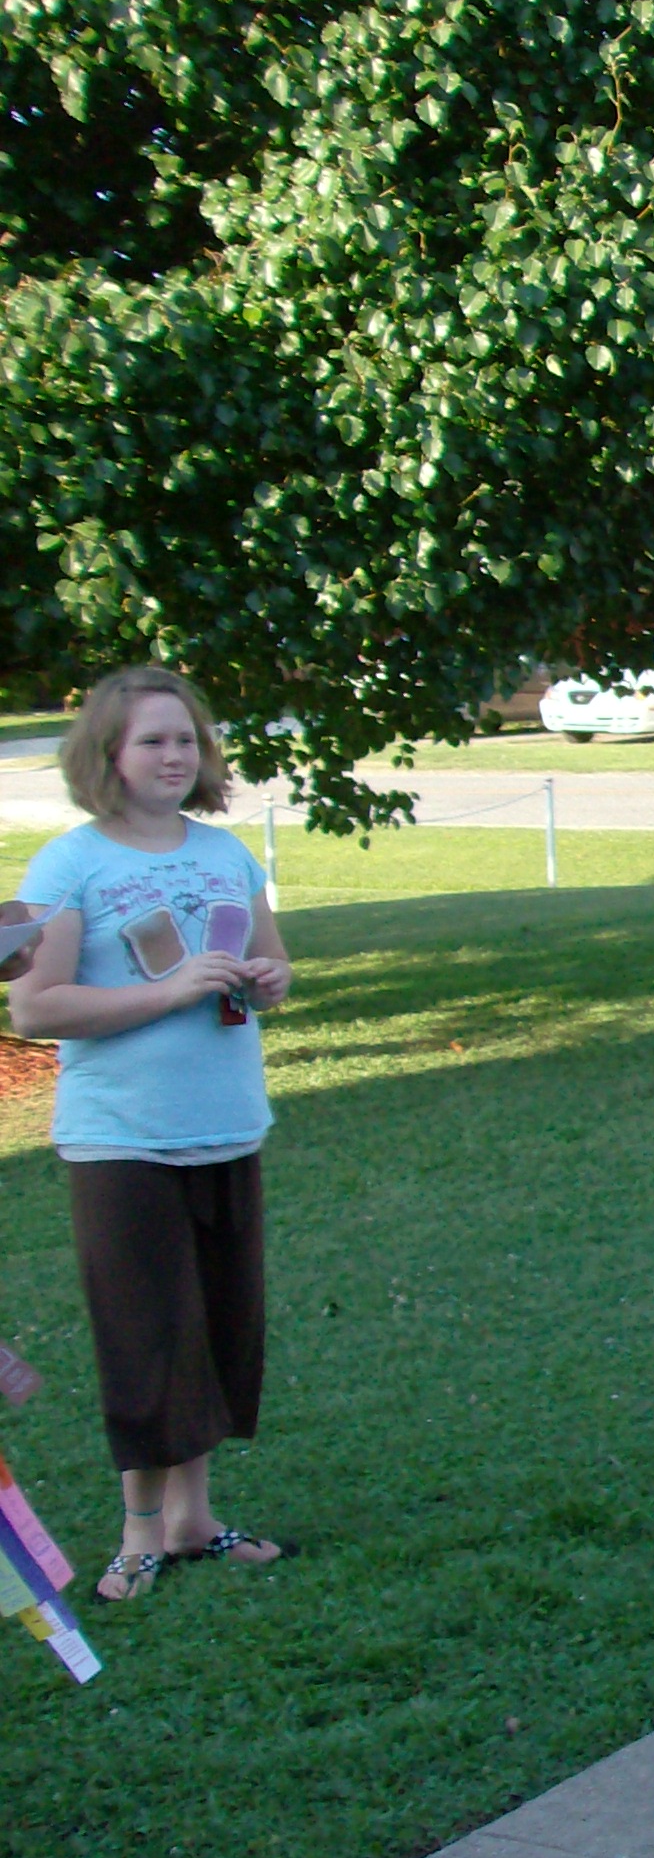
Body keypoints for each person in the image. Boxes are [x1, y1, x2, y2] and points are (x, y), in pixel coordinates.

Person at [8, 668, 292, 1604]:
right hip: (123, 1142)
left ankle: (193, 1521)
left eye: (187, 740)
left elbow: (275, 963)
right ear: (108, 755)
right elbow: (36, 1007)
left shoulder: (225, 853)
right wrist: (168, 993)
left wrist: (267, 979)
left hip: (226, 1128)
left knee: (216, 1328)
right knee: (147, 1337)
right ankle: (139, 1535)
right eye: (152, 741)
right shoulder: (71, 865)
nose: (175, 756)